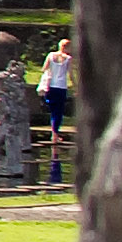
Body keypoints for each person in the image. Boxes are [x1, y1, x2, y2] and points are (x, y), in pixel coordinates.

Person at [42, 28, 79, 187]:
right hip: (61, 87)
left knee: (53, 110)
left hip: (51, 86)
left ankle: (54, 134)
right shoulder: (68, 59)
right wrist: (76, 87)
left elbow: (44, 69)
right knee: (58, 112)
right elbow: (70, 75)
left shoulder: (51, 56)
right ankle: (55, 134)